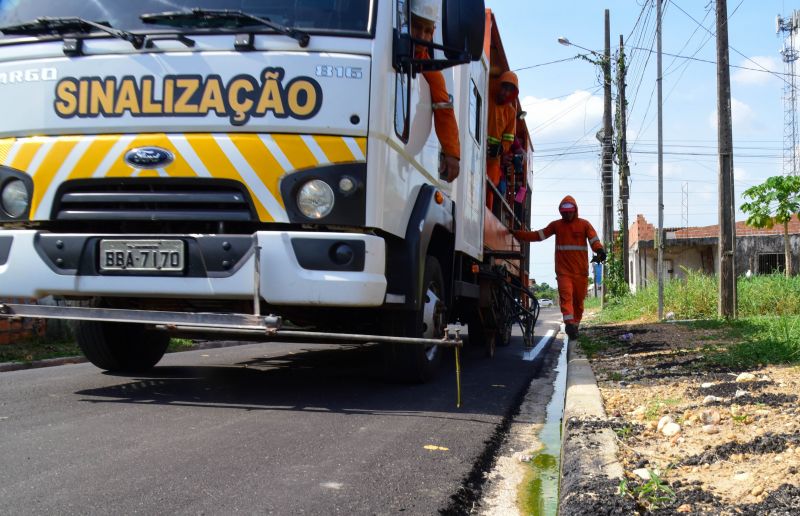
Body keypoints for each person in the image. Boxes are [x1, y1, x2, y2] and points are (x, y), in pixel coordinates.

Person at [513, 195, 606, 339]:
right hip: (564, 272)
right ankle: (569, 323)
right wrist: (518, 234)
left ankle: (575, 325)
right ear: (560, 212)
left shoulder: (584, 225)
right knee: (566, 297)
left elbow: (594, 240)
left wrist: (600, 250)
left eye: (570, 211)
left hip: (581, 272)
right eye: (564, 212)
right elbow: (538, 235)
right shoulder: (557, 225)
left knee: (578, 301)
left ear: (575, 210)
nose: (567, 214)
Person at [410, 0, 460, 182]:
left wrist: (452, 154)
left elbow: (444, 111)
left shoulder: (432, 73)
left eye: (427, 31)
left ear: (433, 34)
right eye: (416, 27)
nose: (421, 35)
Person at [486, 71, 519, 209]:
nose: (505, 93)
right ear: (498, 86)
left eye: (509, 91)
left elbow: (508, 139)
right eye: (504, 88)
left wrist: (501, 149)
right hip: (476, 150)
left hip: (494, 159)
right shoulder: (486, 95)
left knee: (490, 187)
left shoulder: (511, 112)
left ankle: (484, 220)